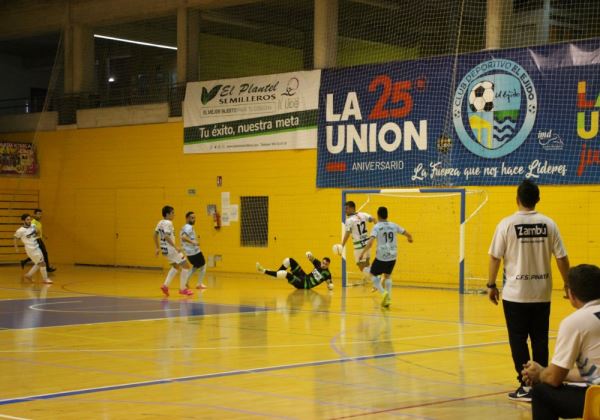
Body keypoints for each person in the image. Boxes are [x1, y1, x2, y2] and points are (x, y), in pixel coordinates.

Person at [488, 179, 570, 401]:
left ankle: (526, 385)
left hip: (515, 294)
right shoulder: (549, 224)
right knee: (540, 339)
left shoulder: (505, 224)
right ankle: (542, 384)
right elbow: (561, 257)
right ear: (538, 199)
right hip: (541, 292)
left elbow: (495, 256)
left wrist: (491, 284)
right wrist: (568, 283)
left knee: (518, 340)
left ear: (517, 199)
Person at [522, 264, 600, 419]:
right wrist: (547, 371)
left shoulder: (575, 321)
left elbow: (553, 378)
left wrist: (540, 373)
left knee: (542, 393)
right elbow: (593, 372)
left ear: (571, 294)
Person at [359, 206, 413, 308]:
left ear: (378, 215)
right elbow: (406, 233)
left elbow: (370, 243)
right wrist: (410, 238)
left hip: (381, 256)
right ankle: (388, 299)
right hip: (392, 256)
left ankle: (383, 292)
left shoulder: (377, 227)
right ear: (387, 215)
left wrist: (363, 252)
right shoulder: (393, 225)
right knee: (387, 276)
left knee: (372, 274)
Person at [154, 205, 192, 297]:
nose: (174, 214)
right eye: (172, 213)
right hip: (171, 249)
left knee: (175, 266)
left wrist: (157, 247)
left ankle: (165, 286)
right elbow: (166, 236)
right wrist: (175, 247)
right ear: (167, 214)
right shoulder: (168, 223)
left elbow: (155, 234)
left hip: (165, 250)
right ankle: (183, 289)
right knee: (186, 266)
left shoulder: (160, 222)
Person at [339, 201, 374, 285]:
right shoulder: (363, 214)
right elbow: (373, 219)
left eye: (346, 209)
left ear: (352, 208)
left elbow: (347, 233)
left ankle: (376, 278)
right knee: (367, 263)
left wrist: (342, 245)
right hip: (367, 244)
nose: (345, 211)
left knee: (361, 267)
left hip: (359, 246)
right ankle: (366, 279)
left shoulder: (349, 220)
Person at [256, 252, 333, 290]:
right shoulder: (318, 264)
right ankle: (276, 274)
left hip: (304, 285)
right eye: (323, 262)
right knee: (289, 260)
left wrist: (330, 286)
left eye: (326, 264)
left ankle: (262, 271)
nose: (323, 264)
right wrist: (309, 255)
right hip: (304, 277)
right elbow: (312, 258)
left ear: (328, 265)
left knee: (286, 274)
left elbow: (329, 283)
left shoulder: (327, 274)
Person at [14, 213, 52, 284]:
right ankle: (45, 279)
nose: (29, 221)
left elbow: (38, 231)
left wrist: (37, 233)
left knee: (39, 263)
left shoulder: (33, 226)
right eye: (27, 220)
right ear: (23, 221)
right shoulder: (20, 230)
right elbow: (15, 238)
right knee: (42, 263)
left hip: (37, 247)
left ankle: (29, 275)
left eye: (30, 219)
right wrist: (16, 247)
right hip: (31, 249)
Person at [180, 211, 207, 289]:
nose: (194, 219)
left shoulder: (185, 227)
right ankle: (199, 284)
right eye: (192, 218)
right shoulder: (188, 227)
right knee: (203, 266)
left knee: (196, 266)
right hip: (194, 251)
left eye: (194, 218)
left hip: (189, 252)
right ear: (187, 218)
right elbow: (183, 237)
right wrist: (193, 242)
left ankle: (186, 282)